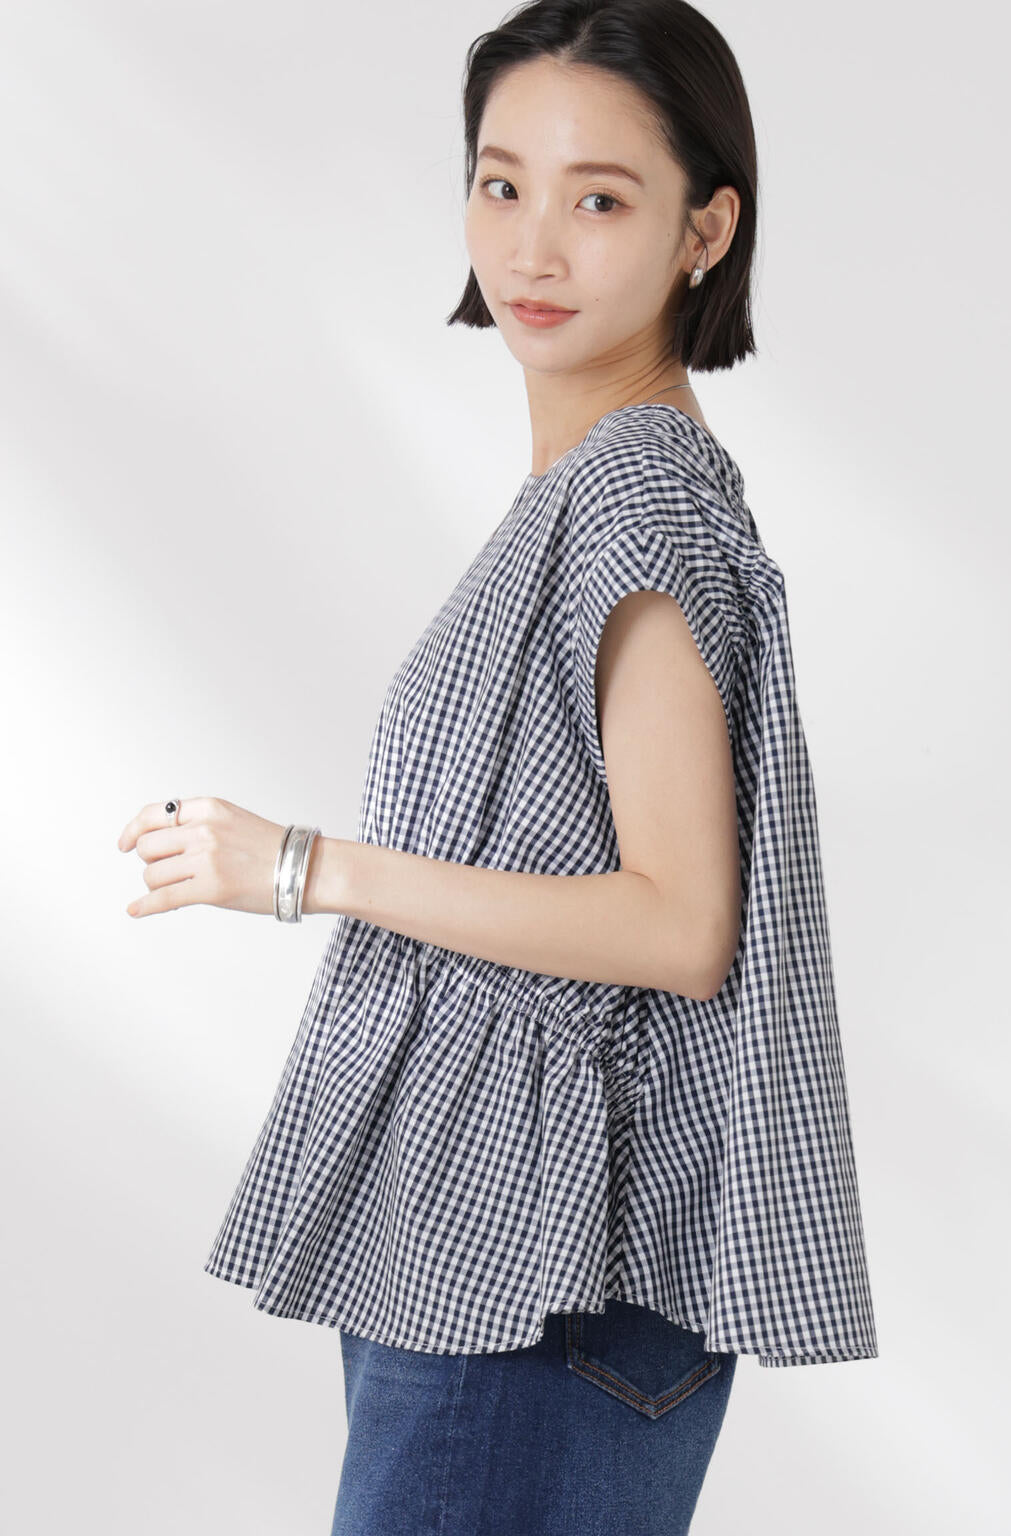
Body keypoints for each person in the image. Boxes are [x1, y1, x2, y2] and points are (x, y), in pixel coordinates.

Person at [117, 2, 878, 1531]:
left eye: (600, 200)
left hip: (540, 1273)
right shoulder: (590, 491)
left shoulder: (635, 506)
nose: (531, 247)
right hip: (494, 1248)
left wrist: (303, 868)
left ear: (704, 231)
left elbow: (680, 921)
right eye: (500, 183)